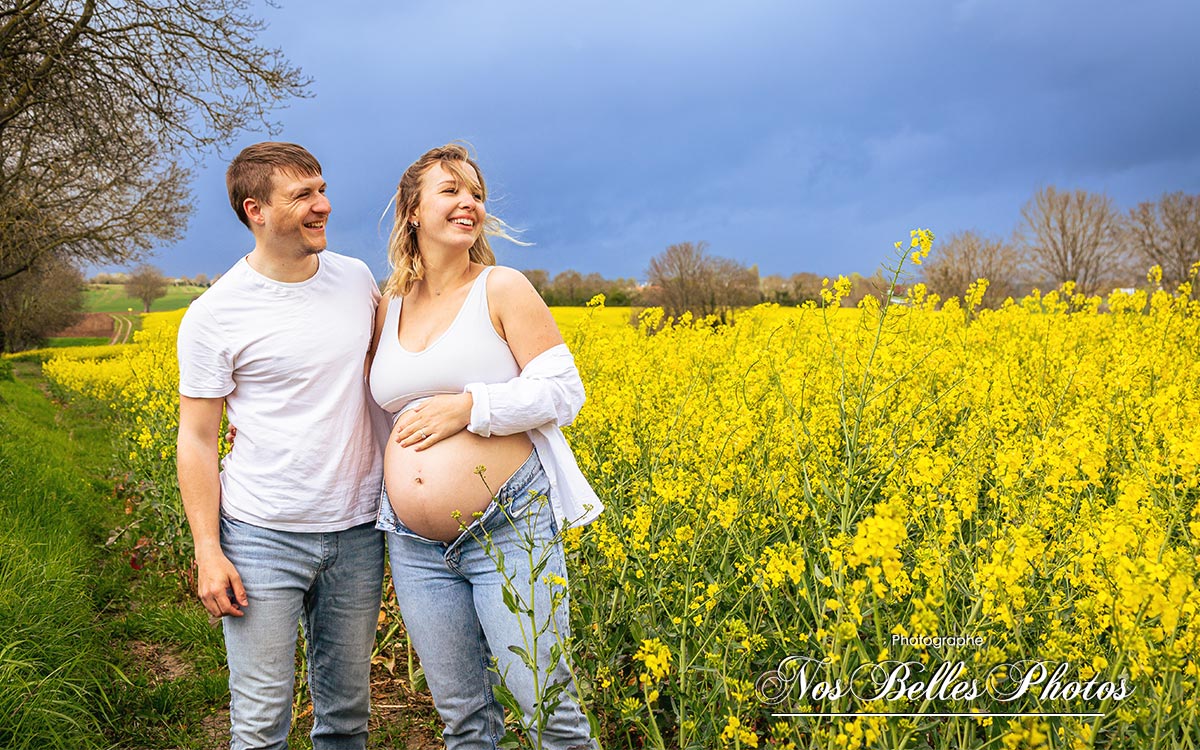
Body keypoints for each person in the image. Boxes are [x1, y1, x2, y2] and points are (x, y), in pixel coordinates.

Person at [368, 143, 603, 749]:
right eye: (450, 190)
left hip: (506, 525)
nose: (469, 202)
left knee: (548, 708)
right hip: (414, 542)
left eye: (476, 192)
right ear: (411, 209)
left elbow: (563, 390)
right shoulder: (387, 304)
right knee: (462, 720)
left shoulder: (502, 287)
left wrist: (471, 407)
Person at [176, 142, 386, 750]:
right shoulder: (215, 314)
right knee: (262, 720)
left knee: (347, 715)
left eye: (322, 189)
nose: (323, 205)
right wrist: (207, 550)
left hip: (357, 532)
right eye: (303, 195)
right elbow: (196, 438)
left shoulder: (355, 279)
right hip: (260, 534)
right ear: (256, 211)